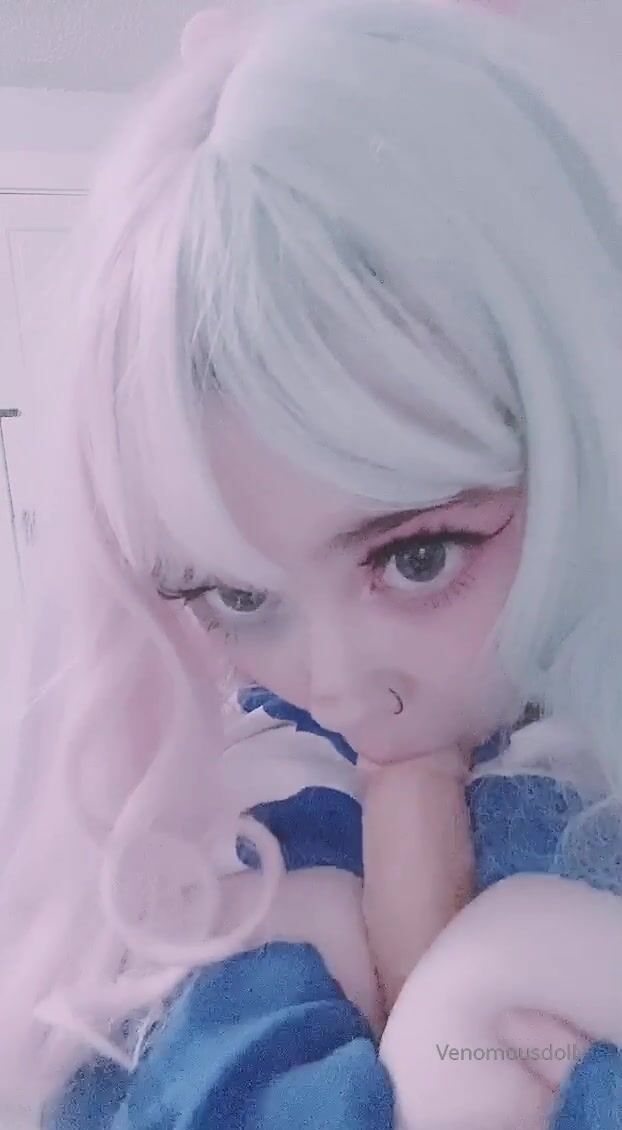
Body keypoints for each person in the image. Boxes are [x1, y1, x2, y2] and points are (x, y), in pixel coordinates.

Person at [1, 0, 622, 1125]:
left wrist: (483, 976)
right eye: (238, 593)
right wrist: (466, 1001)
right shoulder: (234, 822)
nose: (333, 682)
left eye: (417, 556)